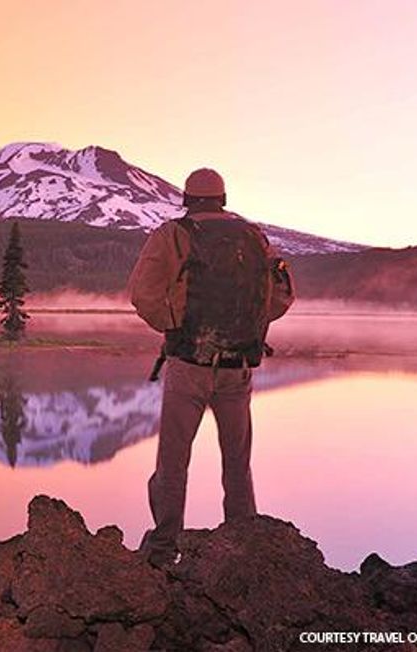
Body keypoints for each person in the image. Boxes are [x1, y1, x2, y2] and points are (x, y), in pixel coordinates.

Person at [127, 168, 295, 567]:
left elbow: (142, 295)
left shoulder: (173, 235)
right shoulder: (254, 237)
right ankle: (244, 547)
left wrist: (177, 325)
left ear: (187, 198)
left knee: (173, 461)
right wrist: (249, 327)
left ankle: (165, 547)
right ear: (223, 198)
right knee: (237, 461)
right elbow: (283, 294)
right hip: (238, 367)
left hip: (190, 364)